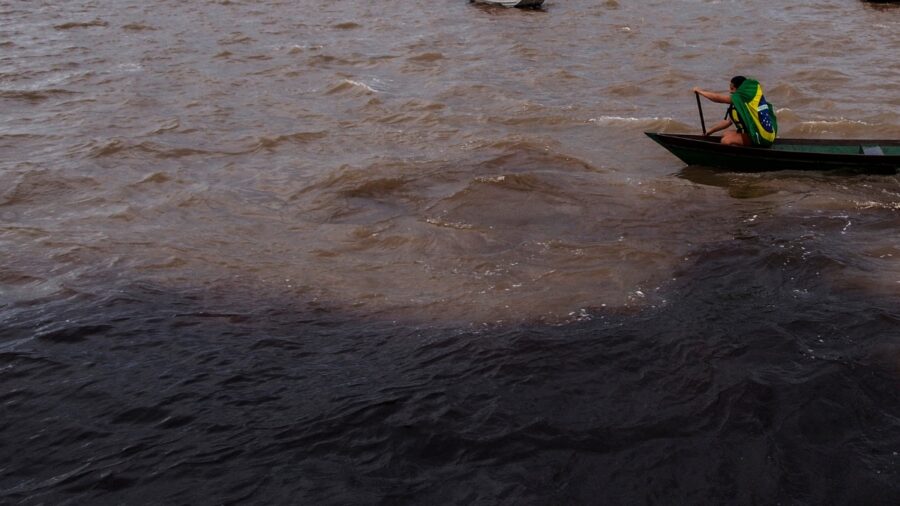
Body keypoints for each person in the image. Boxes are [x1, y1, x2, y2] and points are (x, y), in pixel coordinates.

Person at [692, 76, 778, 147]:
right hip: (752, 133)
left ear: (740, 89)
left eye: (732, 89)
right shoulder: (740, 102)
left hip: (761, 137)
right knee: (725, 134)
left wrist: (701, 92)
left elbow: (718, 98)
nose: (730, 91)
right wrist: (710, 131)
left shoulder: (746, 99)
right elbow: (728, 122)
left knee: (726, 141)